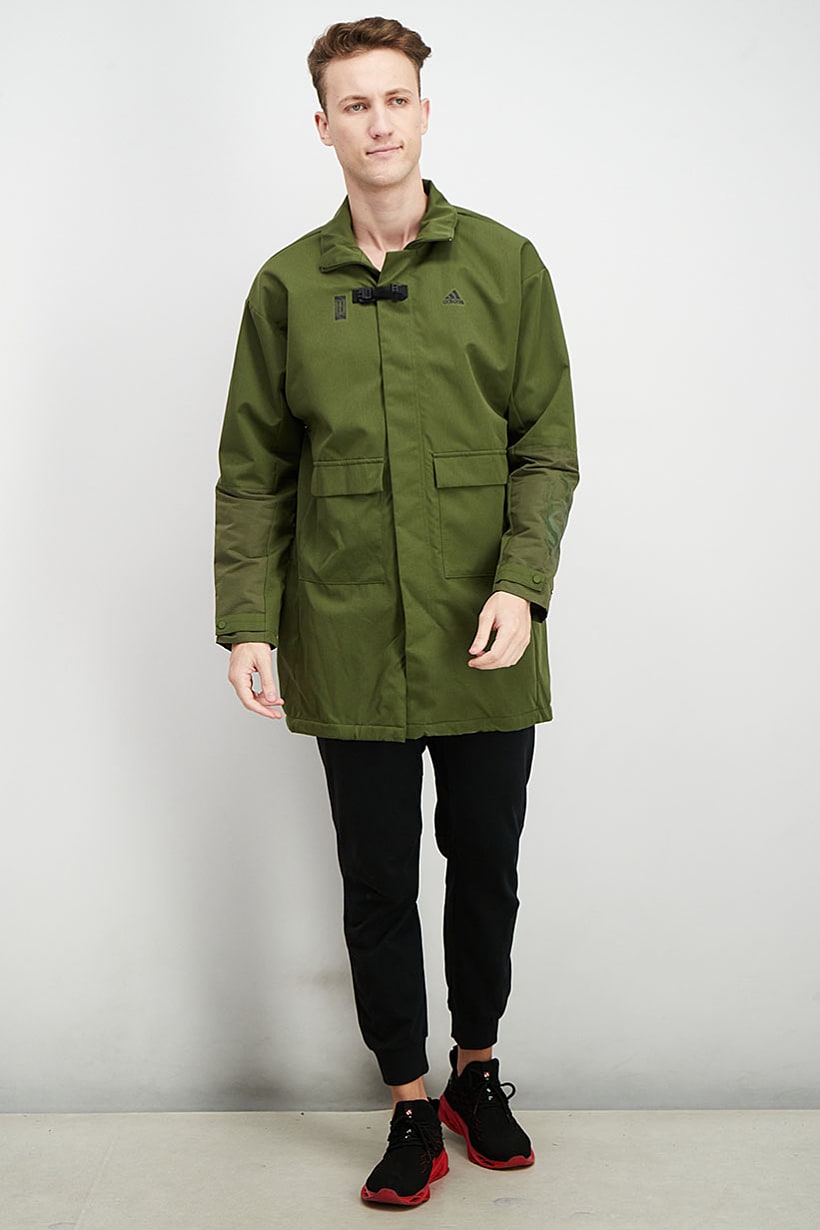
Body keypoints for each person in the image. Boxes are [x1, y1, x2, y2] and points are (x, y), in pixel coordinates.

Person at [214, 16, 579, 1208]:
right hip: (345, 629)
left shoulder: (507, 265)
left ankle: (477, 1070)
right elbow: (253, 471)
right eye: (355, 104)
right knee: (375, 880)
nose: (379, 122)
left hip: (486, 633)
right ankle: (410, 1102)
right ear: (322, 125)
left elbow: (545, 448)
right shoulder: (286, 286)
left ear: (425, 111)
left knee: (486, 865)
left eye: (396, 98)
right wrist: (249, 621)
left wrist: (521, 585)